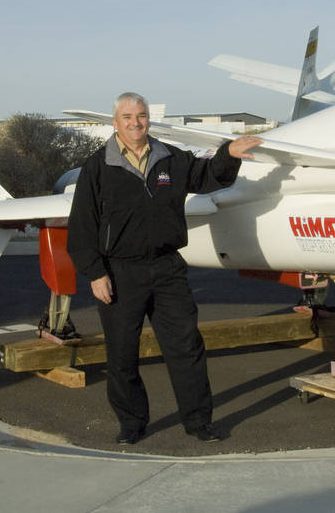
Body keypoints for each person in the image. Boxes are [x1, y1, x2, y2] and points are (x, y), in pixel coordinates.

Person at [66, 92, 262, 445]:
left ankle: (199, 422)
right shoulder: (98, 166)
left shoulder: (170, 158)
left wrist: (228, 155)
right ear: (115, 123)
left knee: (186, 347)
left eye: (141, 115)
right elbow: (81, 227)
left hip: (167, 267)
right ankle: (132, 424)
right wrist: (95, 273)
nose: (135, 122)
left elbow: (205, 178)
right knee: (123, 353)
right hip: (120, 273)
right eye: (127, 116)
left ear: (148, 120)